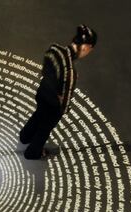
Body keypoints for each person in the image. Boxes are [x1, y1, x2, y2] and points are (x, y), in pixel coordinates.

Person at [19, 24, 97, 159]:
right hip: (53, 105)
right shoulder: (70, 71)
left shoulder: (54, 49)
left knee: (38, 115)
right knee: (44, 129)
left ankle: (25, 136)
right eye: (89, 50)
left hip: (42, 93)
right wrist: (62, 104)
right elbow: (65, 104)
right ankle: (32, 153)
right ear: (86, 47)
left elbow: (45, 71)